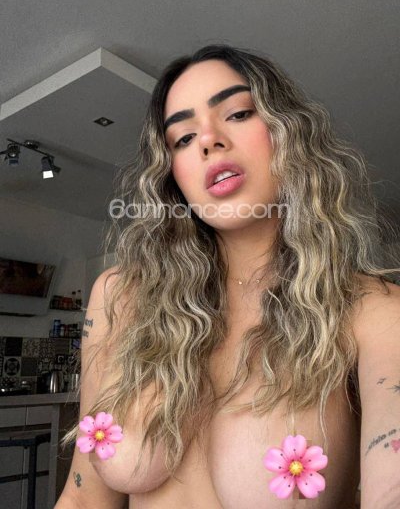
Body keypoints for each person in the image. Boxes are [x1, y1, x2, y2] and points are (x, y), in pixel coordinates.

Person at [56, 44, 400, 509]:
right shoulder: (121, 296)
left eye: (237, 114)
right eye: (182, 138)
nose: (208, 140)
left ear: (289, 133)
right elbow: (82, 500)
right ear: (172, 176)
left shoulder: (372, 311)